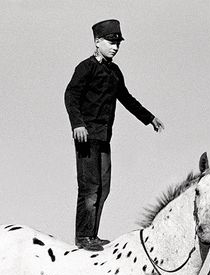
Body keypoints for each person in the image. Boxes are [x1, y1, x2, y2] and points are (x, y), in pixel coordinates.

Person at [65, 19, 164, 251]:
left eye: (118, 43)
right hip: (86, 137)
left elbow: (126, 98)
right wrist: (77, 124)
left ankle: (93, 234)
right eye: (110, 42)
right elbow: (71, 96)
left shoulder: (114, 71)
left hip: (104, 138)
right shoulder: (85, 67)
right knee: (89, 189)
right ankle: (83, 237)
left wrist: (148, 118)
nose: (115, 47)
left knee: (104, 187)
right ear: (97, 42)